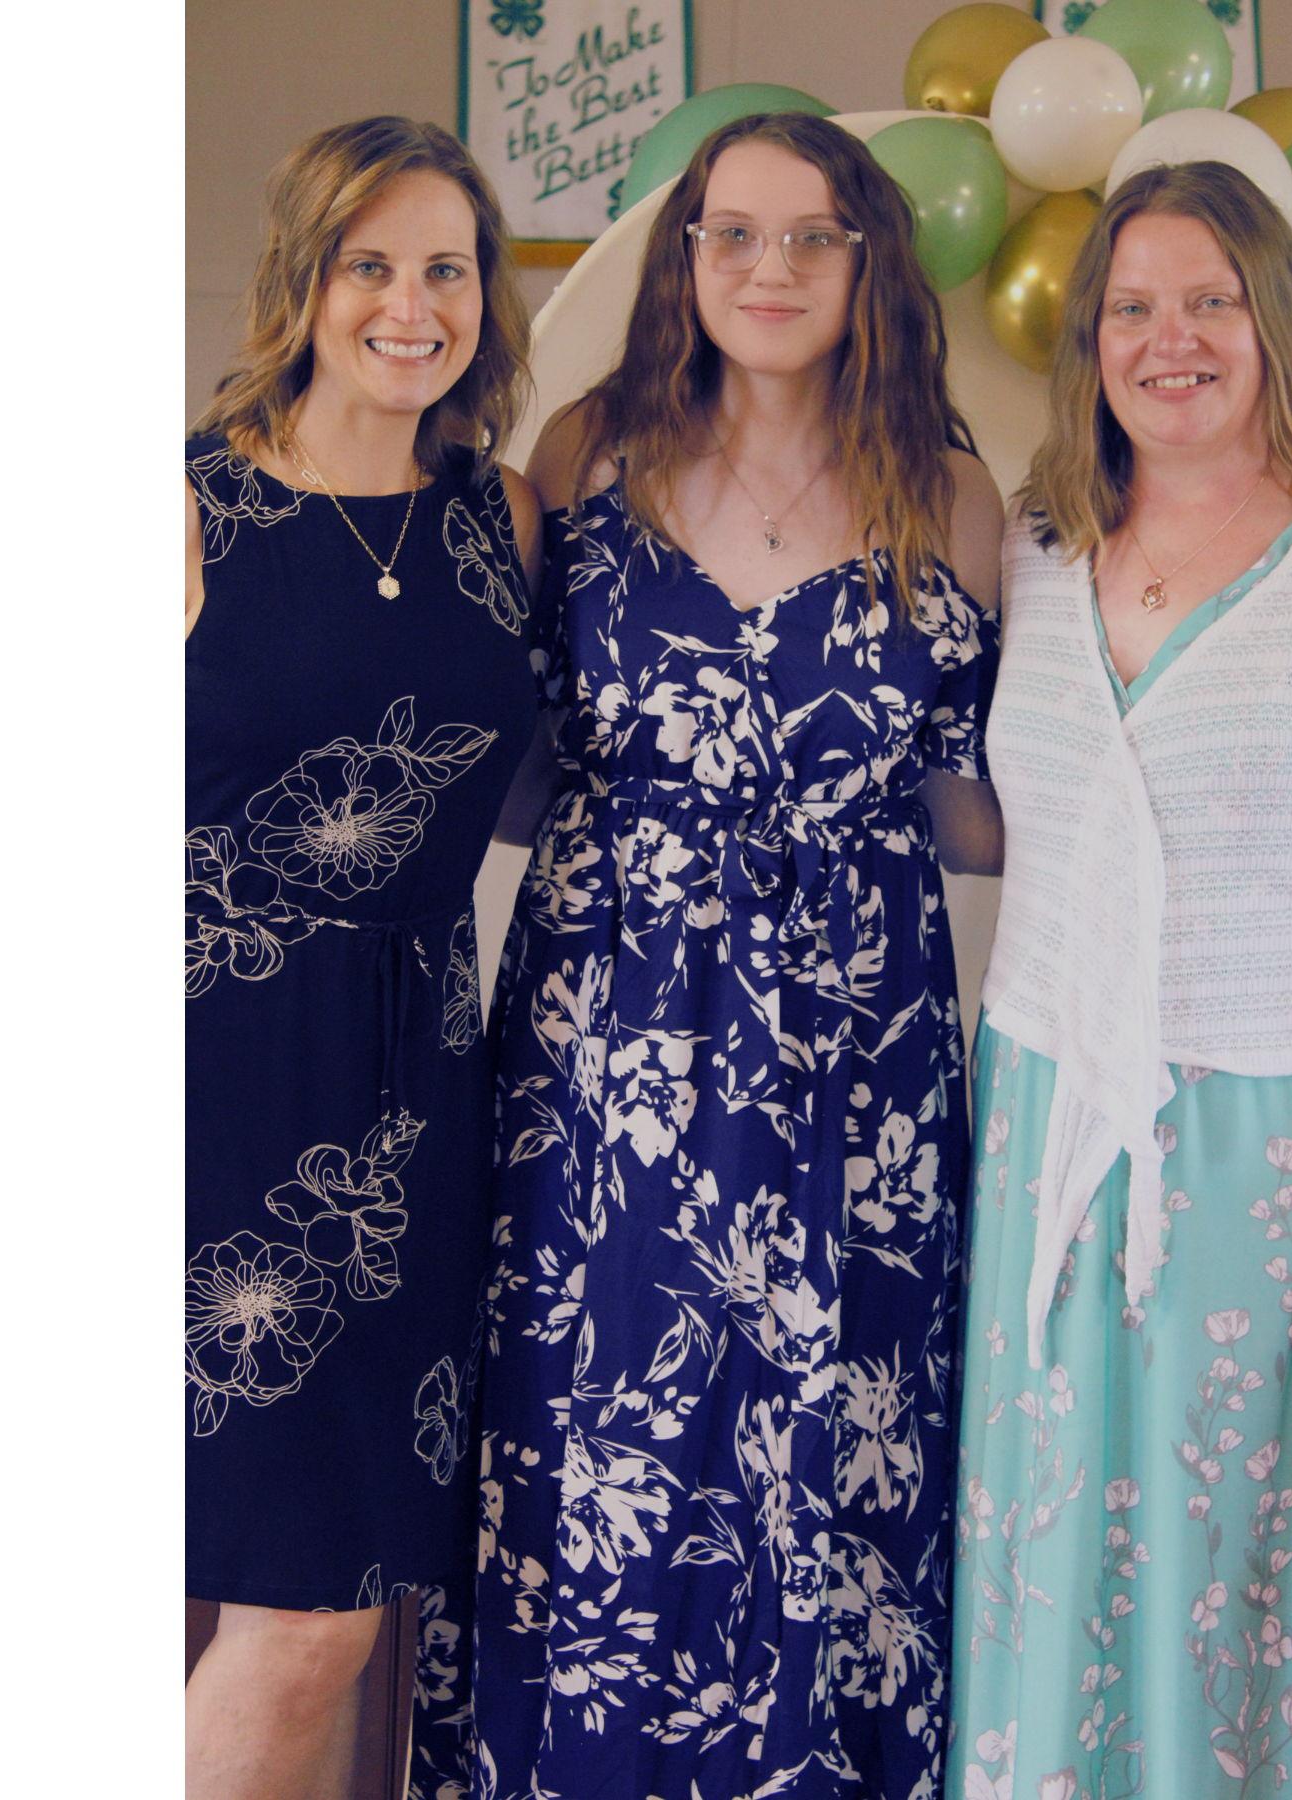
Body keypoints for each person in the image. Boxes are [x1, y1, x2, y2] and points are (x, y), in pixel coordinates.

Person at [472, 112, 1004, 1799]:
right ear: (681, 258)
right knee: (605, 1426)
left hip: (864, 1047)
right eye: (732, 234)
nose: (770, 268)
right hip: (609, 1028)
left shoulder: (956, 490)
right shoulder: (580, 456)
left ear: (871, 266)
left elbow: (988, 796)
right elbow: (500, 756)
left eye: (814, 236)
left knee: (844, 1432)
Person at [948, 161, 1292, 1800]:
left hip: (1286, 1162)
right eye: (1132, 306)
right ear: (1090, 340)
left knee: (1243, 1576)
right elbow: (1021, 824)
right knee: (1054, 1562)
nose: (1171, 337)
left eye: (1210, 299)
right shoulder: (1043, 556)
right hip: (1049, 1132)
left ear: (1274, 319)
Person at [183, 116, 541, 1800]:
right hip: (216, 1088)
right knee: (301, 1608)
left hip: (419, 1086)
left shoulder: (503, 522)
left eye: (448, 269)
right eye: (372, 266)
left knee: (357, 1601)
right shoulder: (187, 509)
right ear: (305, 283)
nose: (414, 304)